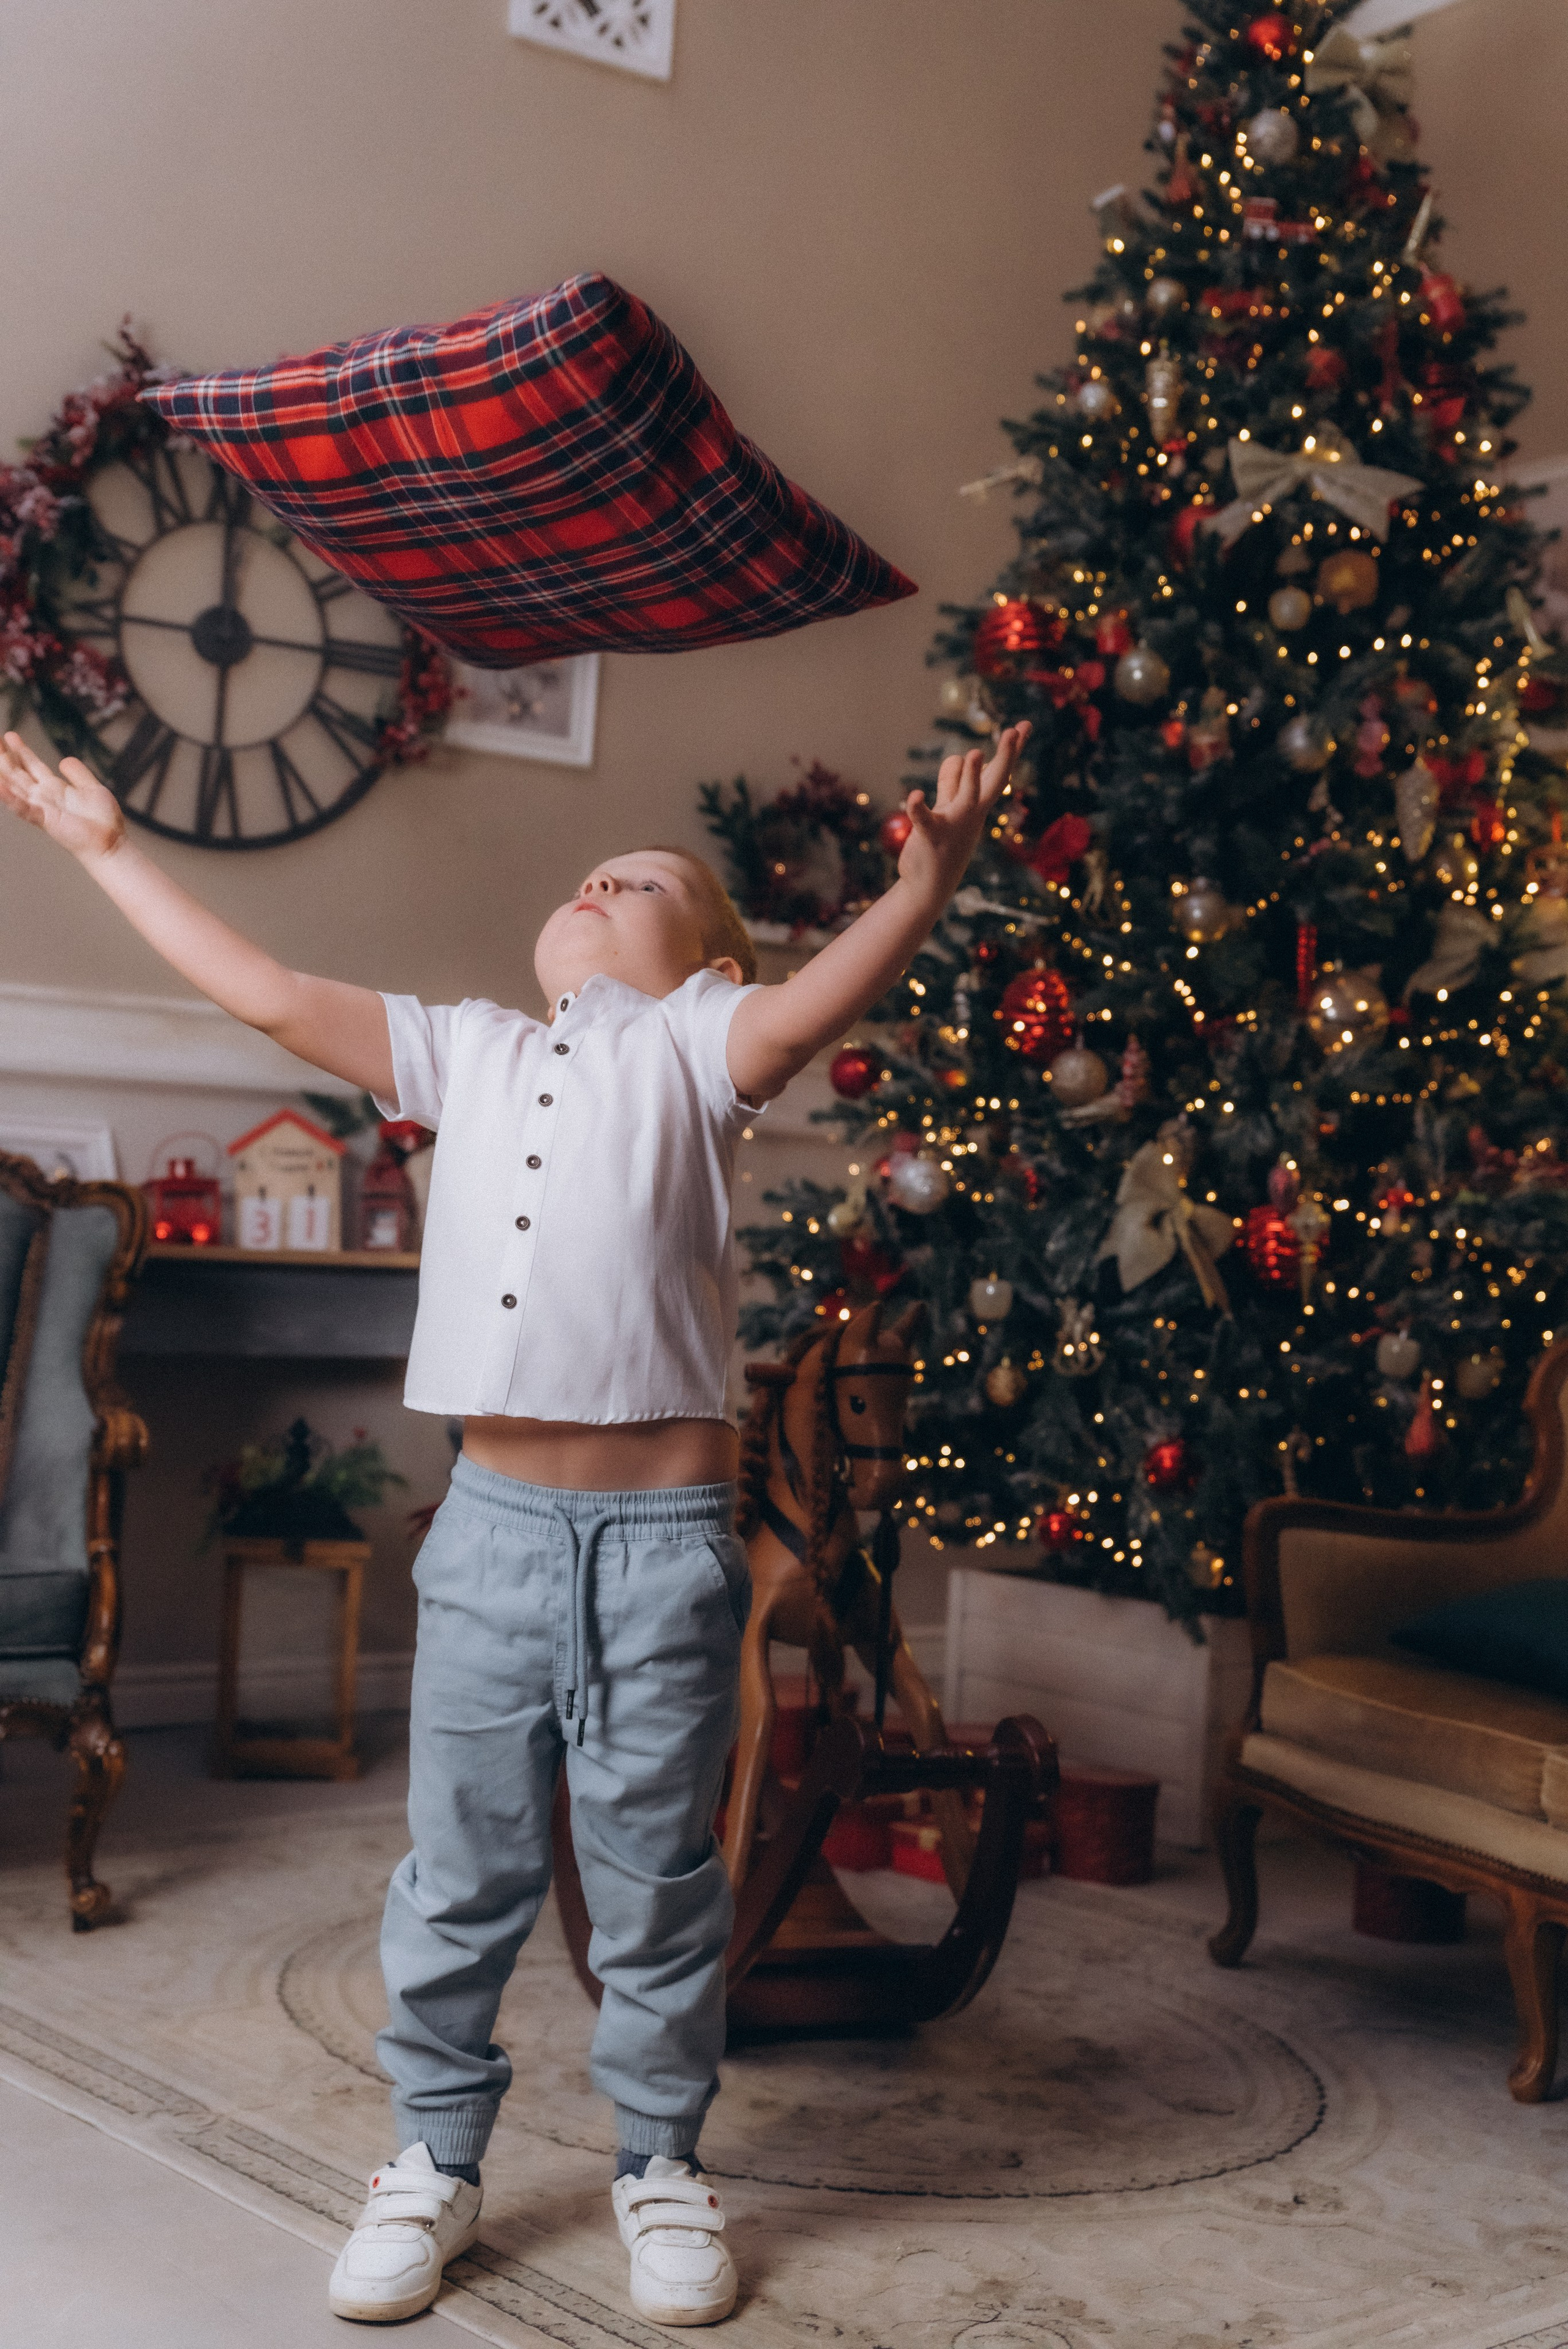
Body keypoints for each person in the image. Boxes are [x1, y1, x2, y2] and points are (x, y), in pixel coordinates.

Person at [0, 714, 1028, 2328]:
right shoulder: (465, 1048)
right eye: (584, 876)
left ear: (708, 961)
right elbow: (266, 990)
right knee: (459, 1872)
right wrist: (108, 851)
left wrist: (925, 885)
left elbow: (824, 996)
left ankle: (662, 2162)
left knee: (654, 1877)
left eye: (638, 882)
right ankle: (432, 2153)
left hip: (661, 1546)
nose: (597, 882)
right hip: (486, 1537)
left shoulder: (704, 1046)